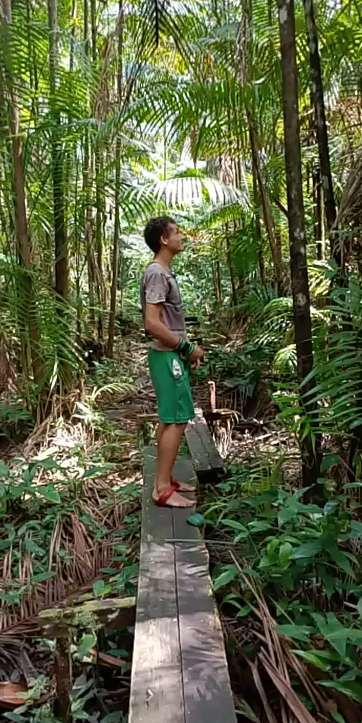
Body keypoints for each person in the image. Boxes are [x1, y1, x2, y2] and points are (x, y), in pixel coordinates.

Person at [140, 216, 204, 507]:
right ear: (164, 240)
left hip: (171, 356)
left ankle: (162, 480)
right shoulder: (157, 273)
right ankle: (163, 490)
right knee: (177, 421)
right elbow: (152, 323)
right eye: (176, 232)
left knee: (169, 419)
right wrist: (186, 347)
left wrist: (184, 351)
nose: (181, 236)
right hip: (167, 356)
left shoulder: (163, 273)